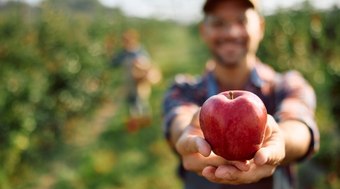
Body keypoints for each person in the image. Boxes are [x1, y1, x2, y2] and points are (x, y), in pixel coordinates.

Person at [162, 0, 319, 188]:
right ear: (204, 31)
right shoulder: (183, 89)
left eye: (241, 21)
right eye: (219, 23)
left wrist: (279, 141)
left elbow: (300, 126)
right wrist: (189, 136)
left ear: (260, 27)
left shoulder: (287, 85)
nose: (230, 33)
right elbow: (179, 121)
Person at [111, 29, 161, 132]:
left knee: (141, 103)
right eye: (124, 41)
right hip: (128, 83)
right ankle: (135, 126)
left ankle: (145, 125)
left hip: (139, 83)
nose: (125, 43)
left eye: (127, 40)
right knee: (131, 104)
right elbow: (113, 63)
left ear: (133, 40)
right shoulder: (124, 53)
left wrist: (140, 66)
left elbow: (147, 65)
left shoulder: (139, 52)